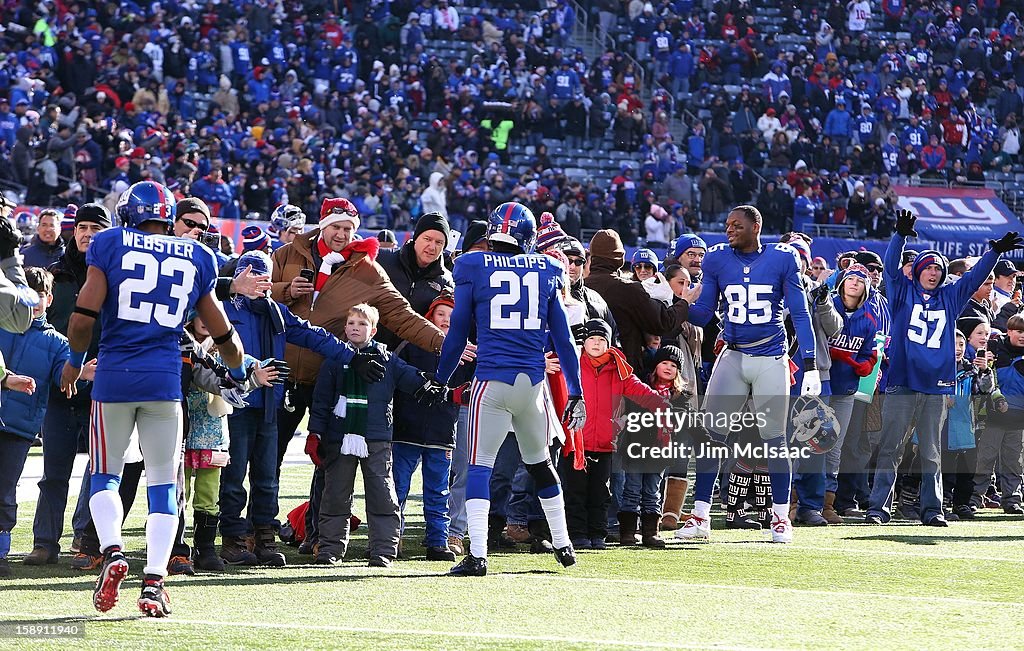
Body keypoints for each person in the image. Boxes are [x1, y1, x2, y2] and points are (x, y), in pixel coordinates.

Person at [58, 181, 247, 618]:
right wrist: (236, 369)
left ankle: (113, 552)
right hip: (165, 381)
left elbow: (84, 316)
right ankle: (155, 581)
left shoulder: (108, 243)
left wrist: (73, 363)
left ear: (127, 214)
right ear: (167, 216)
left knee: (104, 474)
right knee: (164, 485)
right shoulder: (198, 255)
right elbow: (221, 331)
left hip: (115, 376)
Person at [431, 201, 586, 576]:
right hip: (533, 387)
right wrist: (577, 392)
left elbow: (458, 332)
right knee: (541, 465)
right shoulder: (549, 267)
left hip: (492, 382)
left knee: (480, 467)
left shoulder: (471, 265)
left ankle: (478, 553)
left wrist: (440, 378)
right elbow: (563, 340)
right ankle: (563, 544)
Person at [865, 210, 1022, 526]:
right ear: (919, 270)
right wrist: (899, 235)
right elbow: (892, 269)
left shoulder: (950, 297)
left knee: (932, 452)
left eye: (939, 268)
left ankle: (932, 509)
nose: (934, 273)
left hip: (936, 384)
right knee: (891, 449)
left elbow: (974, 278)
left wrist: (994, 253)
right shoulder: (901, 292)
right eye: (929, 268)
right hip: (902, 381)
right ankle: (878, 508)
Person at [679, 205, 820, 544]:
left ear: (756, 225)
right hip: (733, 354)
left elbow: (800, 313)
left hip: (771, 356)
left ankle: (780, 517)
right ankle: (700, 516)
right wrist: (681, 303)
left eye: (736, 224)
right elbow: (703, 316)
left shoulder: (782, 258)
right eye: (726, 224)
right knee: (712, 438)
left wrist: (811, 363)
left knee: (775, 440)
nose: (729, 229)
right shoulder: (716, 260)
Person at [309, 304, 439, 567]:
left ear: (374, 330)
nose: (355, 328)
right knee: (335, 494)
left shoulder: (387, 359)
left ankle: (383, 551)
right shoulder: (335, 359)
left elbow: (413, 380)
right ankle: (330, 549)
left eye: (362, 323)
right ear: (345, 328)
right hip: (339, 436)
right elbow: (321, 400)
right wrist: (315, 433)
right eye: (351, 323)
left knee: (381, 493)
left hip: (377, 436)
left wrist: (440, 385)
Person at [24, 203, 110, 569]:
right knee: (53, 473)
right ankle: (45, 542)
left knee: (99, 471)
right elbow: (43, 330)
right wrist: (65, 367)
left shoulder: (116, 277)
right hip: (60, 389)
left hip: (103, 390)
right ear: (72, 231)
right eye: (82, 226)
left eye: (95, 227)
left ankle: (84, 538)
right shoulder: (54, 275)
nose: (87, 233)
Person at [0, 267, 77, 577]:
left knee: (5, 491)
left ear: (49, 298)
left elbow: (64, 378)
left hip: (19, 428)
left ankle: (1, 553)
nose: (32, 303)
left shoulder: (57, 342)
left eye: (39, 297)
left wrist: (77, 374)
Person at [392, 294, 473, 561]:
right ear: (428, 317)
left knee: (438, 491)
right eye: (440, 314)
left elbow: (471, 389)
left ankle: (438, 542)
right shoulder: (410, 346)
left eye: (452, 315)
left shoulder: (467, 352)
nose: (446, 320)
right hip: (407, 430)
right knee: (398, 487)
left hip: (442, 431)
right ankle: (392, 538)